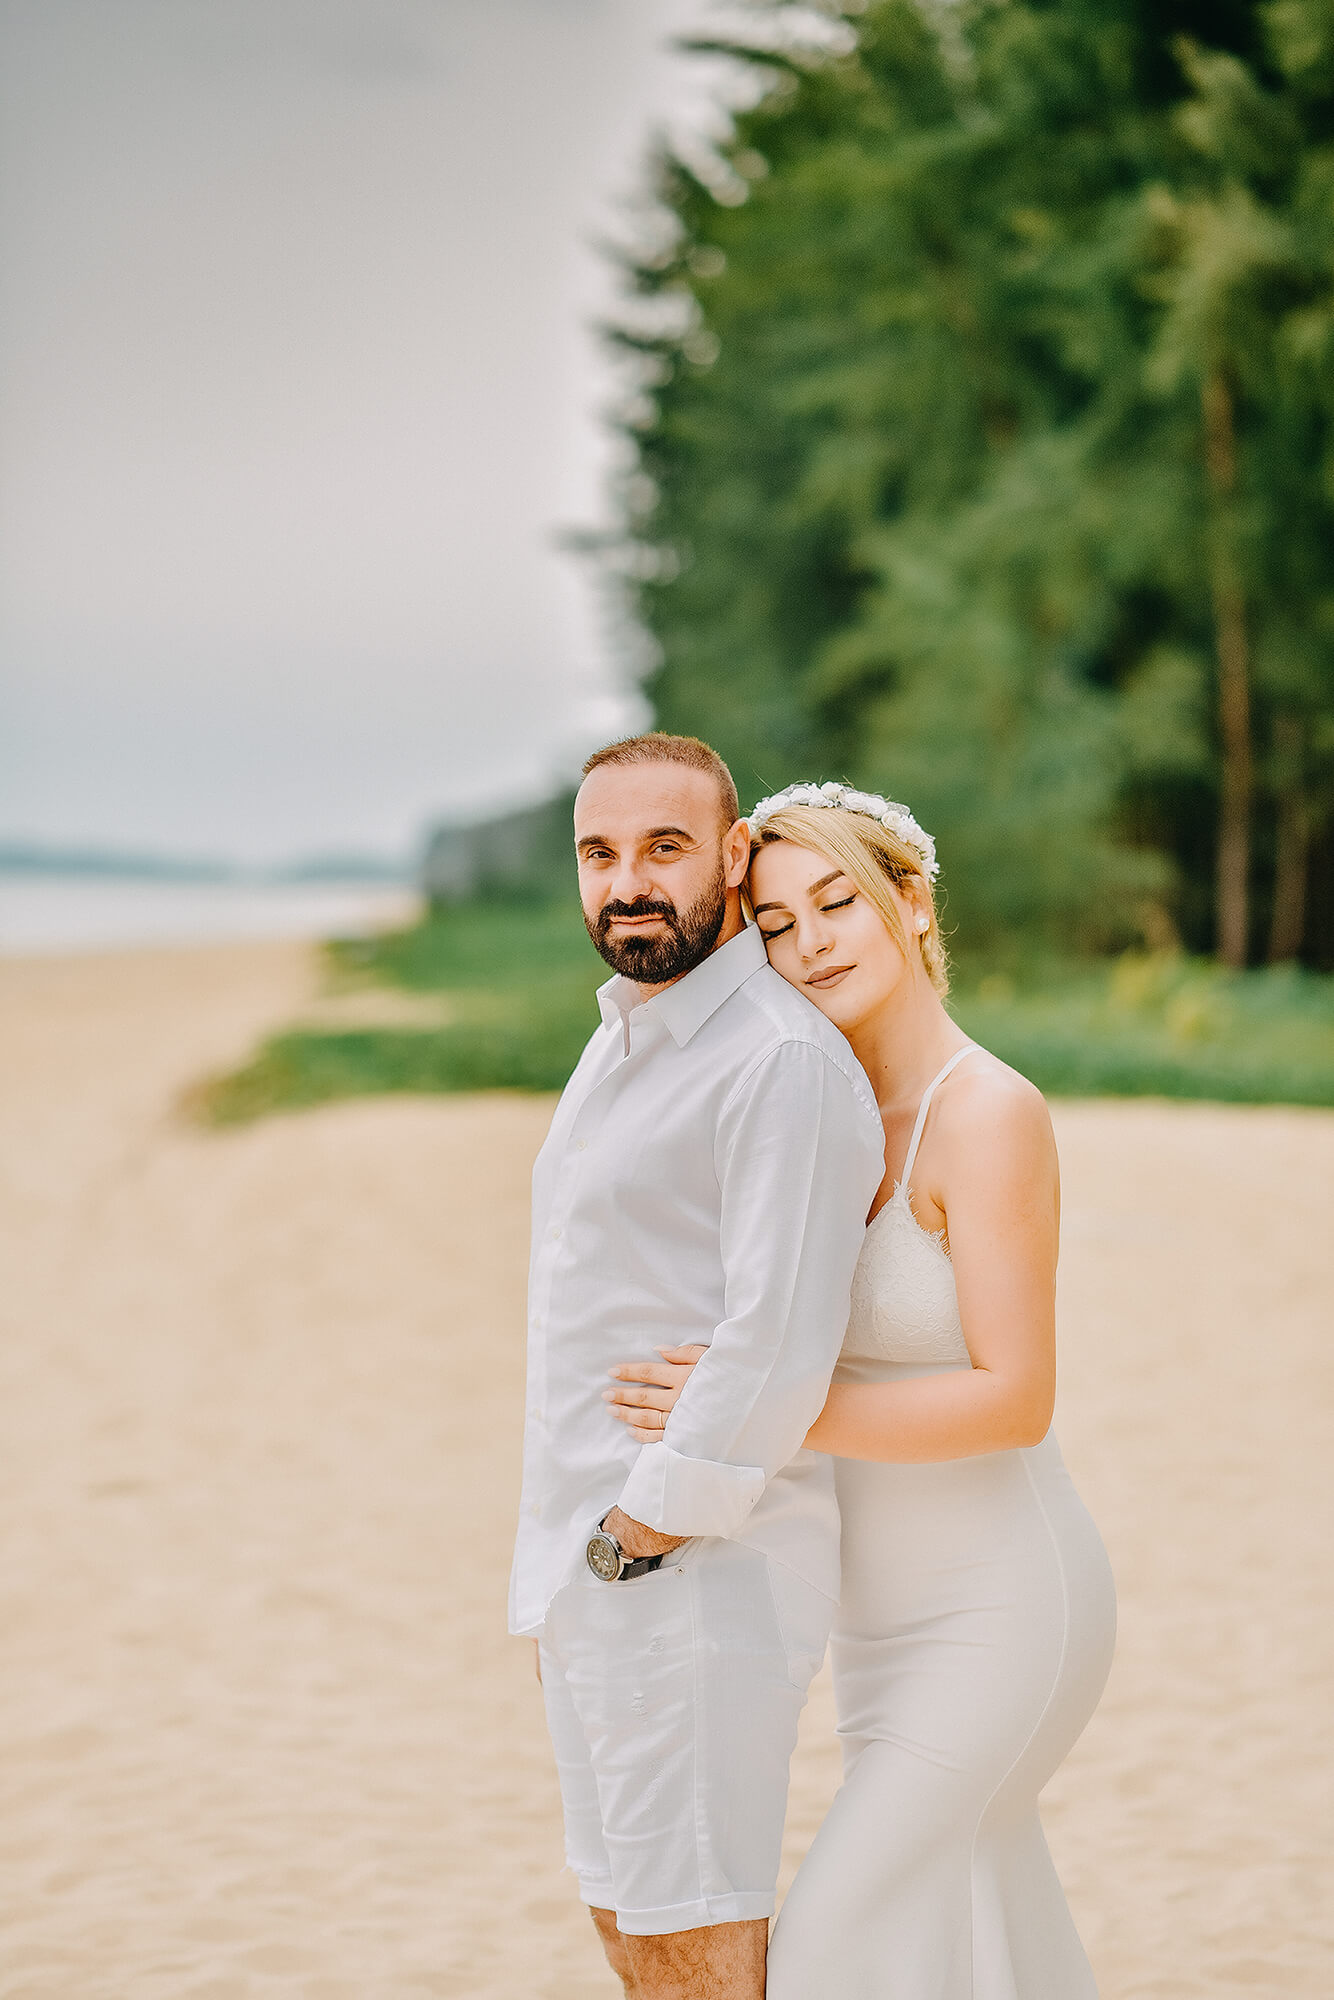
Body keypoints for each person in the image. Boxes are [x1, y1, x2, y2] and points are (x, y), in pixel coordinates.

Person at [606, 779, 1117, 1998]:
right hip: (874, 1628)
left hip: (1000, 1608)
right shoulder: (814, 1108)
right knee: (975, 1930)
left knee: (833, 1946)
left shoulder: (986, 1112)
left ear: (910, 900)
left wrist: (752, 1412)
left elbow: (1014, 1395)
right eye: (774, 925)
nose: (810, 941)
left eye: (836, 901)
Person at [509, 740, 886, 2000]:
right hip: (598, 1565)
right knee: (630, 1922)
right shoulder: (624, 1037)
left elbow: (776, 1340)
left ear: (730, 857)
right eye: (598, 852)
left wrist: (629, 1537)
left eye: (663, 848)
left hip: (689, 1573)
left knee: (696, 1940)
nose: (626, 881)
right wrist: (569, 1567)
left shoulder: (773, 1061)